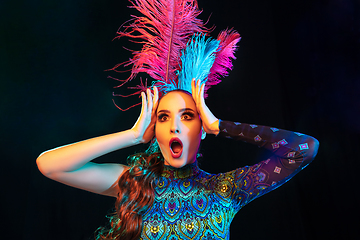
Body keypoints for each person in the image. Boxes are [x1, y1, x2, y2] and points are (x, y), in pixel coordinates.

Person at [36, 1, 319, 239]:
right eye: (163, 117)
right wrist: (132, 136)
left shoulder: (226, 190)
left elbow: (303, 149)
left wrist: (220, 126)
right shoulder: (134, 185)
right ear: (155, 131)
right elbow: (49, 165)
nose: (175, 125)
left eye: (187, 116)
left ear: (201, 130)